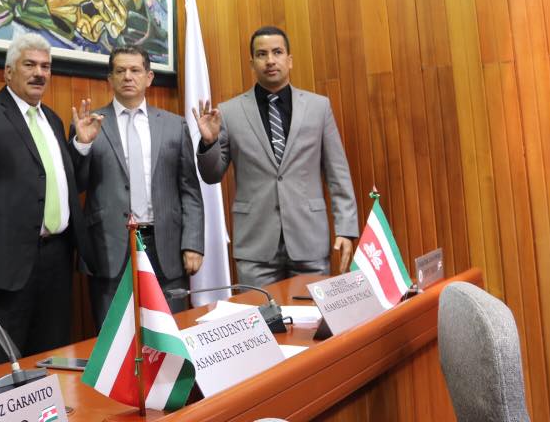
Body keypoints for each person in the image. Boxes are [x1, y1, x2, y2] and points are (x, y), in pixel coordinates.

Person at [0, 33, 102, 369]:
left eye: (45, 66)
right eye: (30, 65)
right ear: (9, 72)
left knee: (52, 362)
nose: (39, 73)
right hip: (4, 265)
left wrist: (80, 146)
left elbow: (61, 182)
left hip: (55, 261)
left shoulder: (52, 119)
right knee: (0, 367)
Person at [193, 26, 358, 287]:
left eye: (277, 52)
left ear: (289, 60)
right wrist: (208, 142)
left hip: (309, 241)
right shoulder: (229, 112)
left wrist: (346, 229)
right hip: (255, 246)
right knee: (261, 313)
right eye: (262, 54)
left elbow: (338, 173)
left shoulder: (318, 107)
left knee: (312, 313)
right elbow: (211, 175)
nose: (270, 60)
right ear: (252, 63)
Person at [72, 47, 204, 328]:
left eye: (135, 70)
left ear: (149, 77)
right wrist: (82, 145)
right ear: (110, 79)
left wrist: (193, 243)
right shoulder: (89, 124)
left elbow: (190, 190)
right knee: (115, 339)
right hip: (110, 247)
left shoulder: (174, 125)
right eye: (120, 71)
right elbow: (76, 185)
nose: (128, 77)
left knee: (170, 335)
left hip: (165, 244)